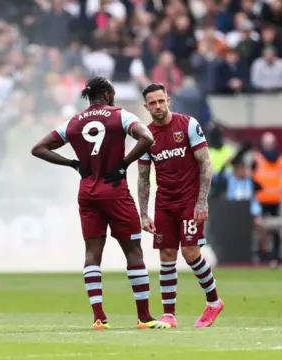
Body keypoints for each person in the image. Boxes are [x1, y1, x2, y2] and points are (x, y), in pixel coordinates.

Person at [31, 77, 169, 330]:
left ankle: (98, 317)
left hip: (87, 191)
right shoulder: (120, 115)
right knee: (134, 251)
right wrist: (125, 163)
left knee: (92, 253)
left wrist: (72, 163)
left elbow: (38, 148)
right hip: (115, 189)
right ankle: (144, 317)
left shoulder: (73, 122)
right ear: (106, 94)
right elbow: (147, 138)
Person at [137, 83, 224, 328]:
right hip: (164, 202)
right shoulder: (146, 135)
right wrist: (143, 214)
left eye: (160, 101)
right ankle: (169, 314)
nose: (157, 106)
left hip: (189, 200)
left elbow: (205, 163)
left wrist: (201, 201)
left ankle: (214, 302)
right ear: (146, 107)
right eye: (152, 103)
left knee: (190, 253)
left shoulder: (188, 125)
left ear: (168, 100)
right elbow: (143, 176)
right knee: (166, 255)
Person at [252, 132, 282, 267]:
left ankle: (275, 256)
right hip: (261, 200)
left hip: (277, 200)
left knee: (277, 230)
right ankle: (262, 255)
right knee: (260, 229)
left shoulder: (281, 159)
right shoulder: (257, 158)